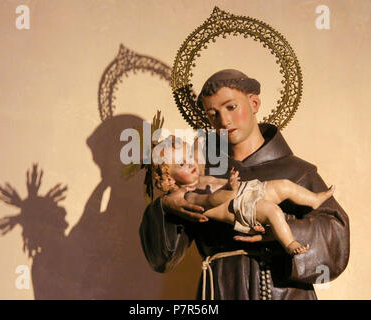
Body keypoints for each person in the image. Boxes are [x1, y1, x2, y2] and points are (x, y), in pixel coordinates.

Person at [139, 69, 350, 300]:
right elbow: (161, 259)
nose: (224, 120)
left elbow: (336, 235)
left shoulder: (297, 171)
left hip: (285, 292)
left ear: (254, 103)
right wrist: (165, 206)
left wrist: (281, 233)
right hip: (222, 289)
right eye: (213, 113)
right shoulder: (200, 175)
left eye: (231, 107)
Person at [150, 136, 335, 255]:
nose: (190, 163)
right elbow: (211, 201)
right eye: (181, 164)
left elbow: (197, 154)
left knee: (285, 186)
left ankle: (314, 199)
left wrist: (198, 143)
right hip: (240, 208)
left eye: (189, 158)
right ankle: (290, 243)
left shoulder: (199, 173)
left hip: (247, 190)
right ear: (169, 181)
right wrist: (229, 188)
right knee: (273, 211)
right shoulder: (189, 197)